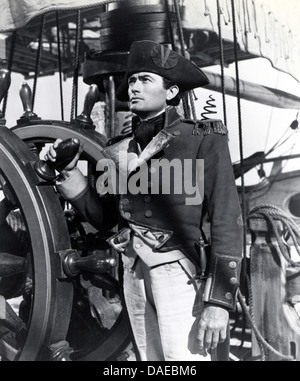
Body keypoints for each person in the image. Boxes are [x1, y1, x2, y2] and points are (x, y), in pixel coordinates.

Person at [45, 40, 243, 361]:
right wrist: (68, 173)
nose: (134, 86)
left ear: (171, 92)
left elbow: (227, 221)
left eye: (145, 80)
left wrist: (218, 303)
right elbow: (105, 217)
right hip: (133, 275)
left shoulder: (204, 139)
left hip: (182, 276)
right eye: (132, 80)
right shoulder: (115, 150)